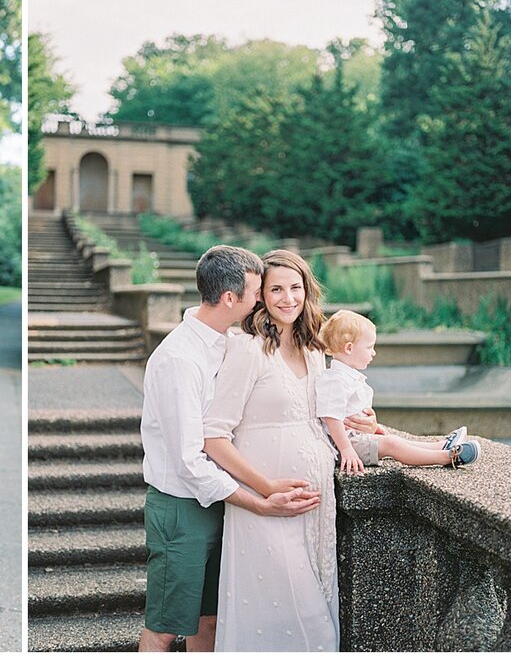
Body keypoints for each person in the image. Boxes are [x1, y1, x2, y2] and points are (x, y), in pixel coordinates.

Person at [139, 245, 324, 653]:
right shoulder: (179, 359)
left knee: (209, 620)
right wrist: (259, 501)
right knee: (166, 627)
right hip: (181, 507)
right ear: (230, 298)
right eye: (257, 292)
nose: (262, 300)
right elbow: (190, 459)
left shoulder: (227, 341)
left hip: (220, 501)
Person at [201, 249, 341, 651]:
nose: (287, 298)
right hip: (263, 505)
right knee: (301, 623)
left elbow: (320, 419)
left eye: (295, 288)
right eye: (275, 289)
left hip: (316, 506)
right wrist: (266, 490)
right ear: (259, 295)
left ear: (307, 291)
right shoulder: (247, 349)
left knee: (314, 610)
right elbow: (213, 437)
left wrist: (357, 420)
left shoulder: (314, 350)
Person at [317, 309, 480, 474]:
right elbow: (332, 418)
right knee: (391, 444)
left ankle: (440, 446)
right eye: (369, 347)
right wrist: (346, 449)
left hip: (353, 438)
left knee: (393, 440)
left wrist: (373, 427)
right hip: (342, 444)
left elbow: (348, 413)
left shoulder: (345, 377)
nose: (373, 352)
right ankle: (448, 457)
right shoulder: (335, 380)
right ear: (349, 348)